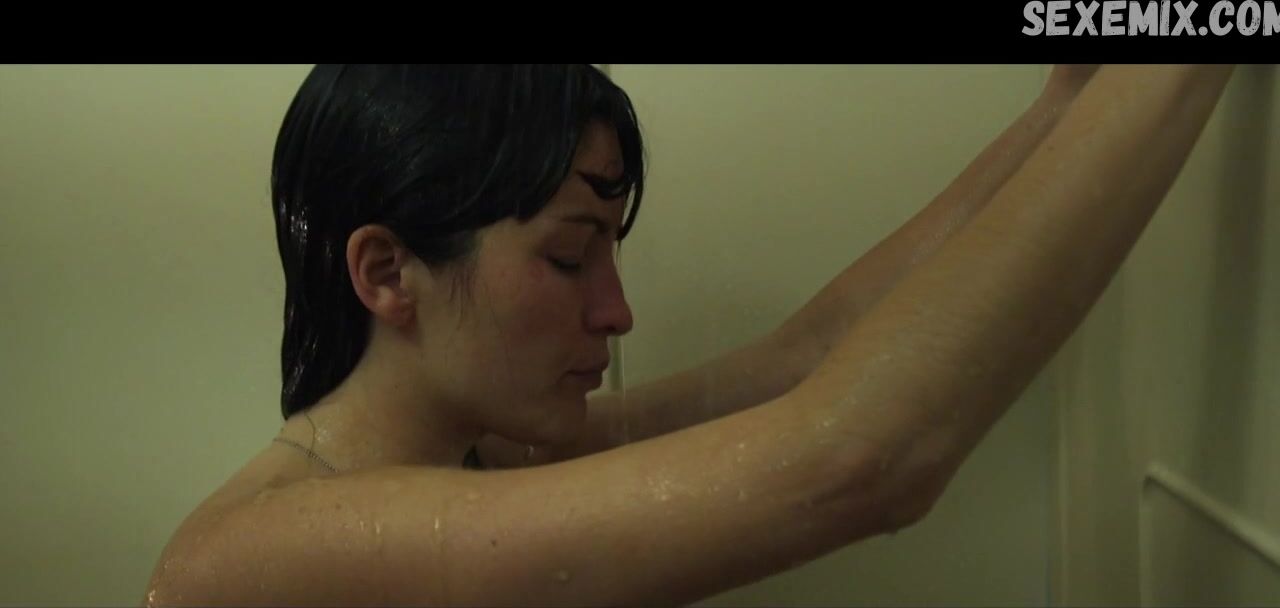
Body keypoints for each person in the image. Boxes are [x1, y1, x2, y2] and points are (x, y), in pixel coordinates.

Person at [143, 63, 1236, 607]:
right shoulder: (259, 554)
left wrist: (1063, 106)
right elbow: (861, 457)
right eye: (569, 257)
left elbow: (808, 358)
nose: (615, 313)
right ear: (388, 273)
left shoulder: (484, 457)